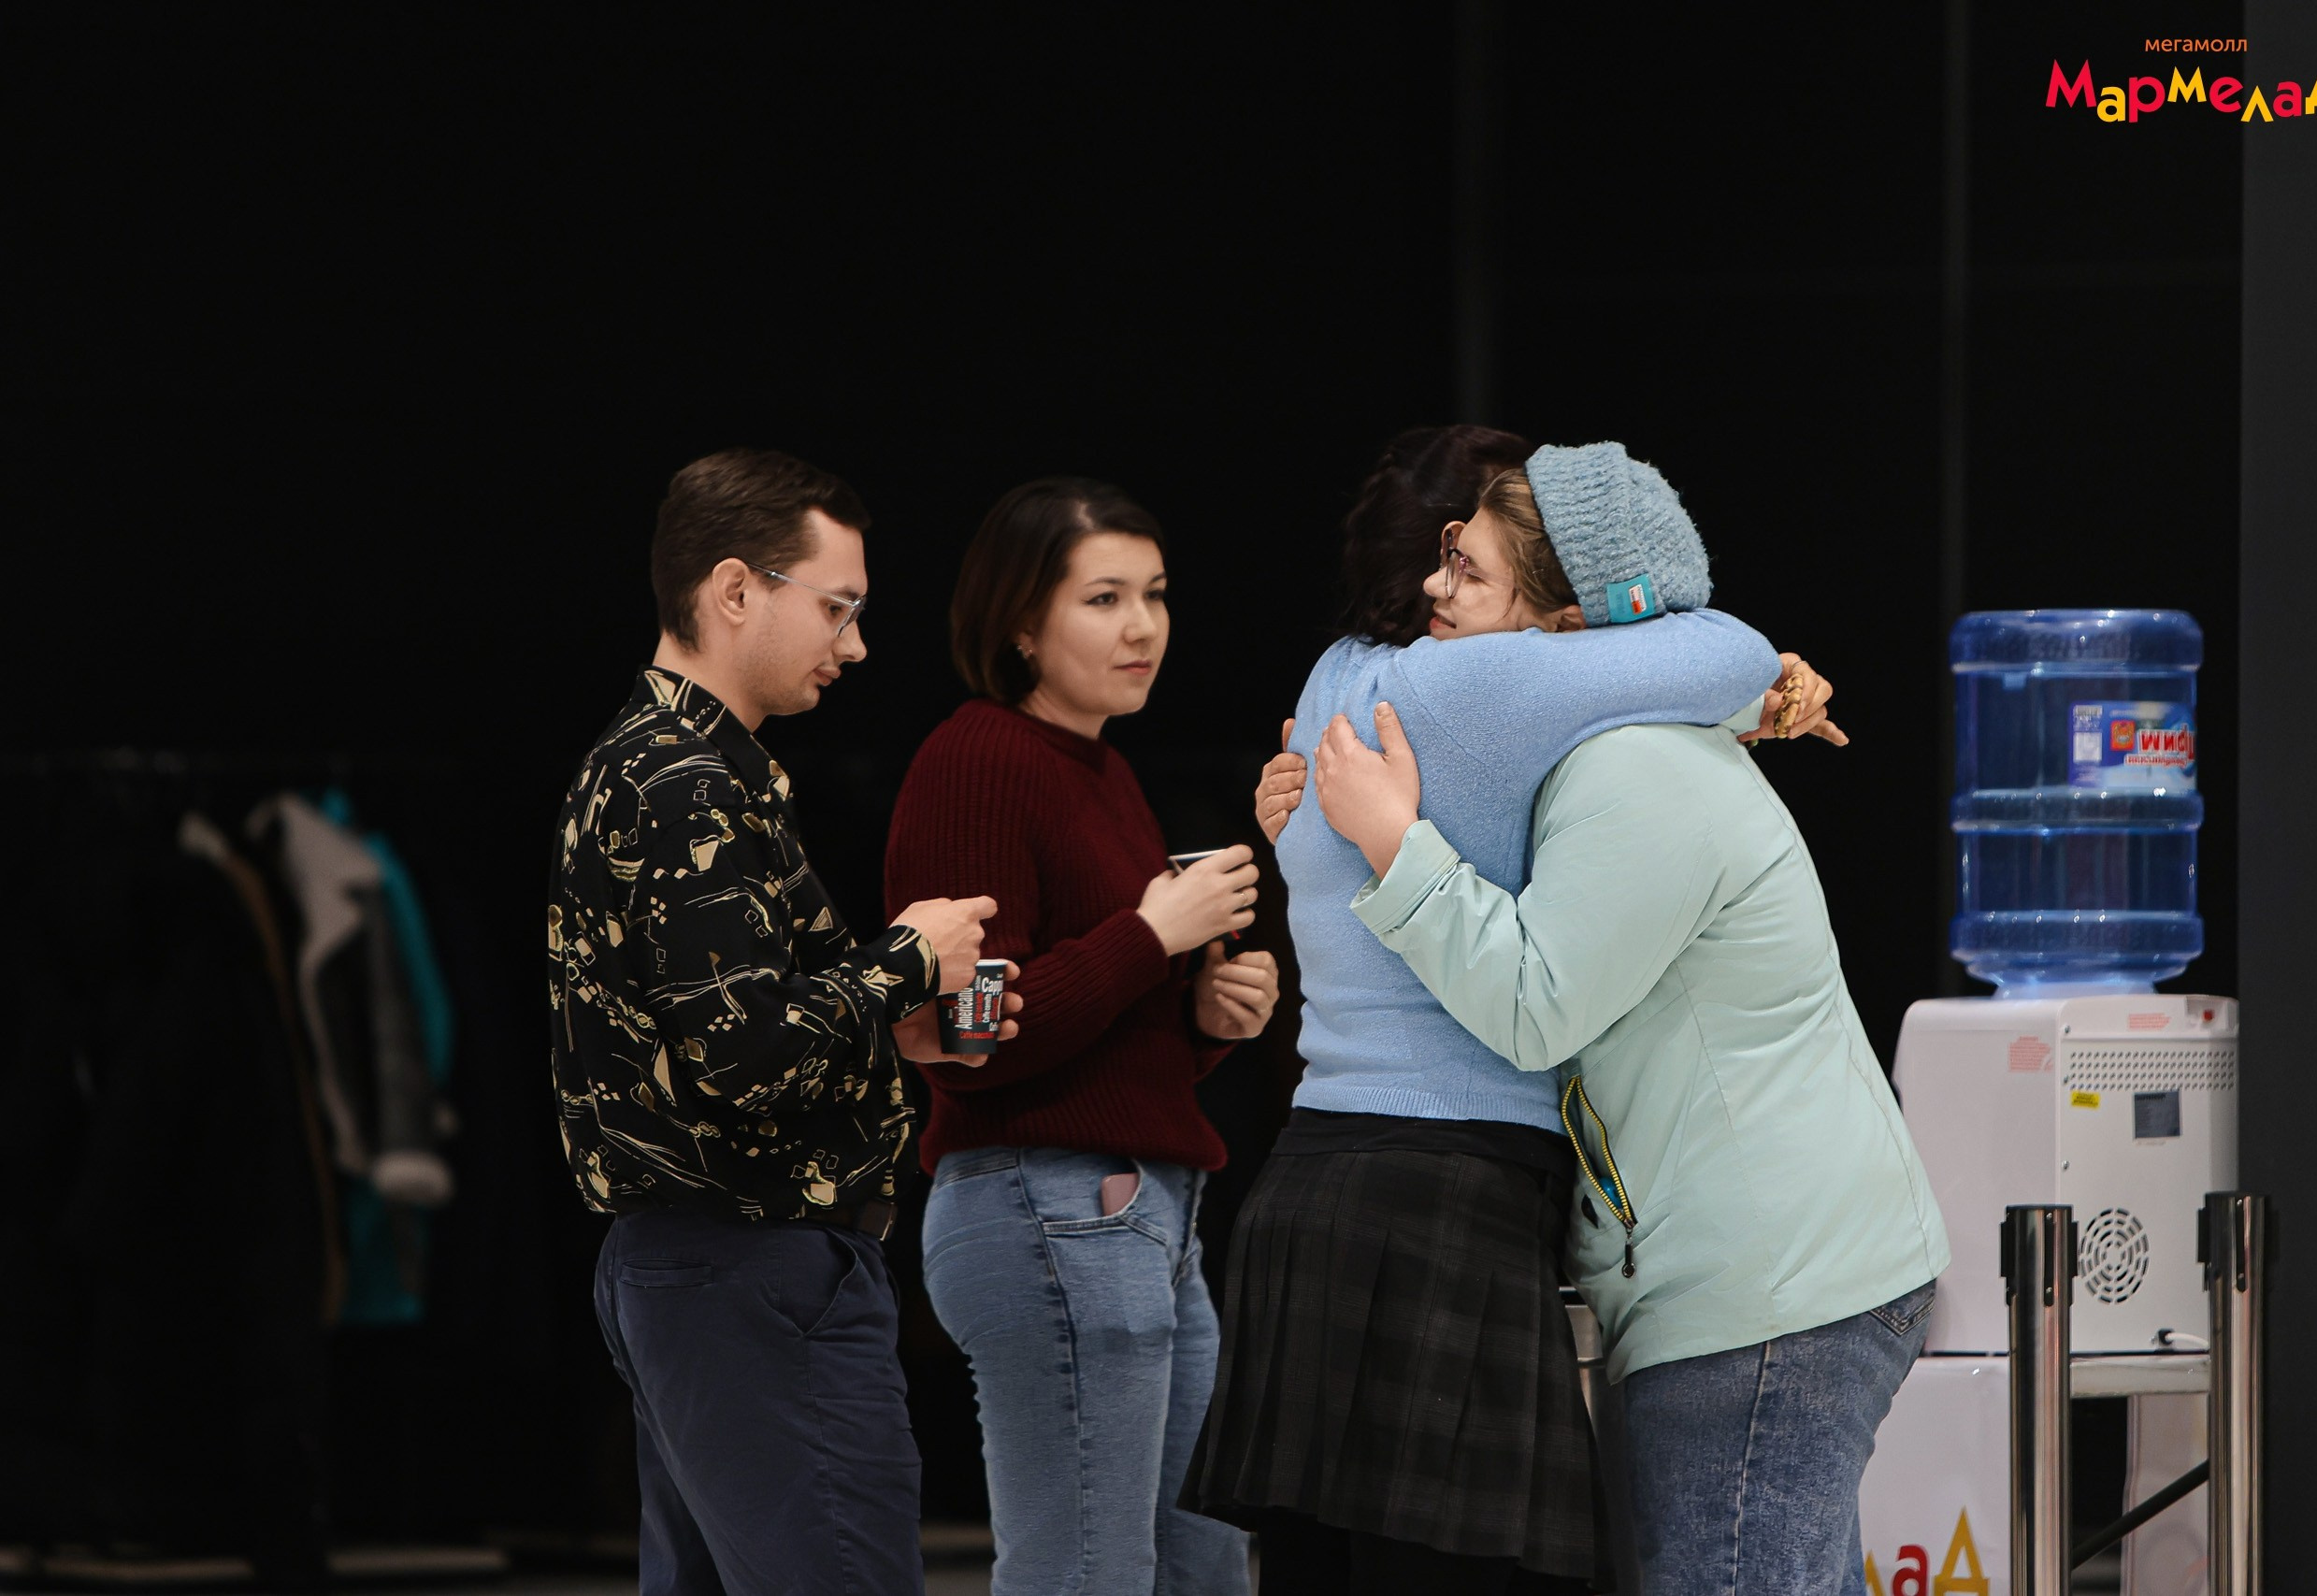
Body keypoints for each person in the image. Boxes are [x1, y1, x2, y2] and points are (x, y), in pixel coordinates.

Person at [1185, 428, 1819, 1595]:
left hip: (1314, 1176)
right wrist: (1755, 684)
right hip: (1441, 1187)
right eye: (1453, 553)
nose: (1444, 582)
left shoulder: (1336, 674)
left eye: (1466, 561)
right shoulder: (1484, 685)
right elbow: (1725, 649)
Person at [1310, 443, 1950, 1596]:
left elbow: (1534, 1006)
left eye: (1470, 570)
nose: (1435, 591)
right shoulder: (1612, 748)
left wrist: (1394, 848)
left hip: (1763, 1288)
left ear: (1565, 629)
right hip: (1755, 1275)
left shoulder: (1635, 770)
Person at [548, 449, 1020, 1596]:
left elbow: (719, 1033)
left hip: (706, 1267)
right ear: (734, 590)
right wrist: (907, 960)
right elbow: (747, 1058)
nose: (853, 645)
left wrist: (888, 1023)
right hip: (746, 1264)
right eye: (836, 607)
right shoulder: (683, 781)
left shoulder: (661, 763)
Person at [883, 478, 1278, 1596]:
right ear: (1020, 622)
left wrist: (1202, 1021)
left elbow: (1107, 1037)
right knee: (1086, 1574)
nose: (1142, 626)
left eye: (1155, 594)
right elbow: (974, 1040)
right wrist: (1152, 937)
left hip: (1143, 1211)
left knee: (1201, 1568)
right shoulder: (979, 758)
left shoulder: (1104, 769)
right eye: (1103, 598)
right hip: (1045, 1203)